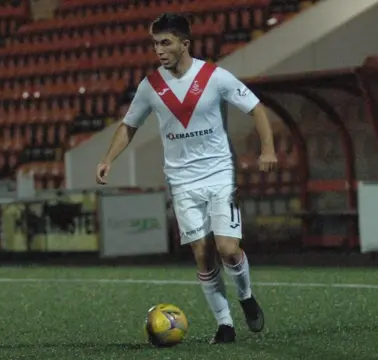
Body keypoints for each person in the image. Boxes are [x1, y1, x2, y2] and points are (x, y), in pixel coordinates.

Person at [95, 13, 277, 344]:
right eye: (155, 44)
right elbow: (129, 125)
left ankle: (246, 296)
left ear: (185, 44)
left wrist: (268, 149)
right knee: (203, 254)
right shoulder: (150, 86)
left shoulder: (214, 76)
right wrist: (108, 158)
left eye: (166, 43)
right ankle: (225, 325)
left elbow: (256, 108)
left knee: (228, 250)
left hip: (219, 173)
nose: (159, 50)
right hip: (181, 182)